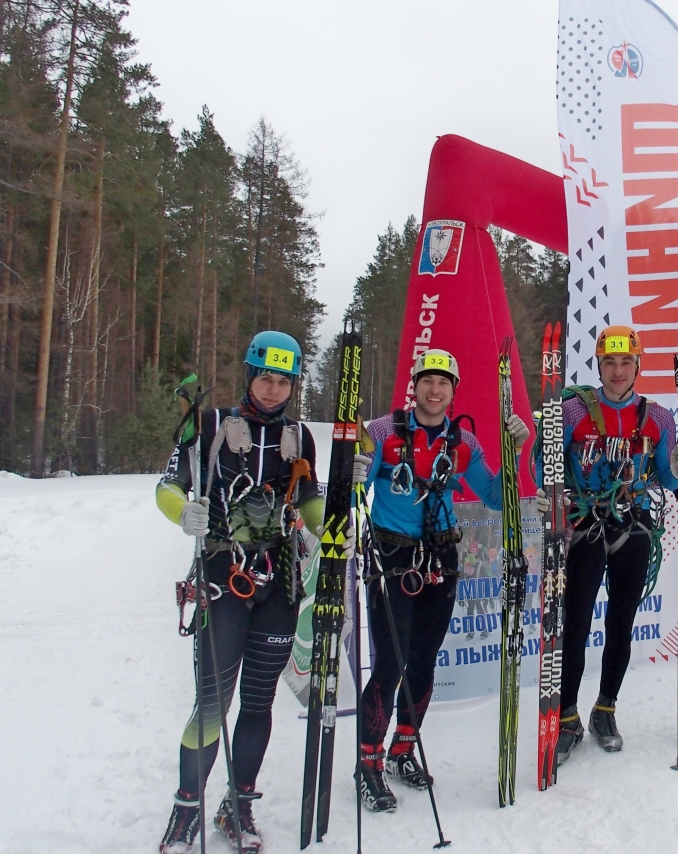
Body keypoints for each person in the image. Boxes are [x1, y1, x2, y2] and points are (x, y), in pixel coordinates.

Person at [157, 331, 325, 853]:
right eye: (265, 378)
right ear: (249, 375)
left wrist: (344, 503)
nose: (273, 390)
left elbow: (314, 509)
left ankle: (239, 804)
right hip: (220, 579)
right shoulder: (209, 424)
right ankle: (187, 808)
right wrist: (183, 512)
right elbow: (168, 486)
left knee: (257, 702)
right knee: (211, 703)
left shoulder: (301, 436)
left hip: (278, 587)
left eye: (283, 381)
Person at [352, 349, 528, 812]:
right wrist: (352, 472)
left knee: (425, 660)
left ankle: (402, 748)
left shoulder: (464, 441)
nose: (435, 390)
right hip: (392, 556)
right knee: (390, 663)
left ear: (454, 391)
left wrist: (516, 452)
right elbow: (358, 486)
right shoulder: (383, 432)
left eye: (443, 383)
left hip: (442, 557)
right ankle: (367, 763)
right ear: (414, 386)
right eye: (427, 381)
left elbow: (493, 496)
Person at [536, 325, 678, 765]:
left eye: (626, 363)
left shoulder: (658, 417)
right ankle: (566, 716)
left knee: (621, 621)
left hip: (635, 525)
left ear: (638, 366)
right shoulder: (571, 411)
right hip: (586, 523)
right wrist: (538, 468)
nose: (618, 371)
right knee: (576, 623)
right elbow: (546, 465)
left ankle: (606, 709)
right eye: (609, 362)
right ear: (599, 366)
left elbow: (664, 477)